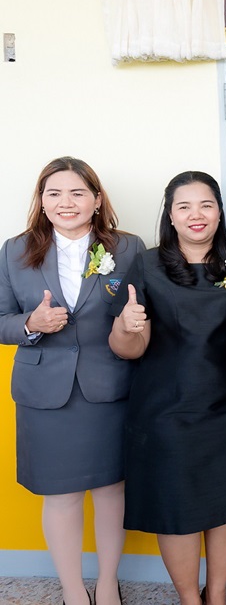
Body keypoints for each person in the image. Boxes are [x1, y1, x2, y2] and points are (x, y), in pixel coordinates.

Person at [108, 171, 226, 605]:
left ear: (219, 212)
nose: (197, 215)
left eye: (206, 205)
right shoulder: (147, 265)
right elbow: (129, 349)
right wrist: (126, 327)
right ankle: (189, 599)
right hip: (166, 411)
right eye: (184, 206)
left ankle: (217, 595)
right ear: (171, 215)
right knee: (176, 510)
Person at [0, 157, 144, 605]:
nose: (66, 202)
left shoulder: (128, 247)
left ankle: (107, 583)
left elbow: (142, 311)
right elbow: (1, 320)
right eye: (55, 193)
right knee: (60, 495)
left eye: (78, 193)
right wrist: (31, 323)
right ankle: (72, 590)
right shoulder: (15, 250)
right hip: (45, 393)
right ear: (42, 202)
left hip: (110, 388)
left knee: (111, 490)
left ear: (97, 200)